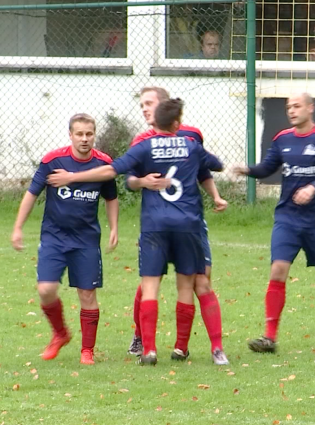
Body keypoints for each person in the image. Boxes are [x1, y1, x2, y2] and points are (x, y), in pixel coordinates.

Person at [47, 99, 225, 366]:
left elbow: (114, 172)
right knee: (188, 285)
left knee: (150, 287)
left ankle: (150, 351)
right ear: (178, 123)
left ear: (155, 122)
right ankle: (197, 349)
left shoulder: (144, 146)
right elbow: (217, 165)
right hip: (188, 225)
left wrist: (72, 177)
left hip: (154, 226)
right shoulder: (191, 145)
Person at [125, 86, 228, 365]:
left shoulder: (191, 135)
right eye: (142, 104)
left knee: (200, 281)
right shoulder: (142, 141)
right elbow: (131, 179)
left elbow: (204, 170)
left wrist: (216, 196)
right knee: (148, 282)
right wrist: (143, 181)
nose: (145, 109)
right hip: (159, 223)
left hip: (188, 222)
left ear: (164, 107)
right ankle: (142, 338)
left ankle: (193, 347)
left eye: (150, 103)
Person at [234, 92, 315, 353]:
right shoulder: (282, 139)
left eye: (296, 106)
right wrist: (247, 169)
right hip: (288, 217)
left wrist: (312, 188)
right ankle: (269, 337)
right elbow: (267, 167)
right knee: (278, 270)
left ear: (310, 108)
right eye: (288, 107)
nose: (291, 111)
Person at [11, 113, 119, 366]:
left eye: (89, 134)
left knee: (87, 293)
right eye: (79, 134)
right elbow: (31, 194)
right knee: (46, 289)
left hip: (86, 240)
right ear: (70, 135)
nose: (84, 139)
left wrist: (114, 227)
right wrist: (18, 227)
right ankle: (60, 333)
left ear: (94, 135)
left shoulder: (104, 164)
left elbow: (111, 198)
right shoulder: (53, 161)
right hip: (54, 238)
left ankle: (87, 351)